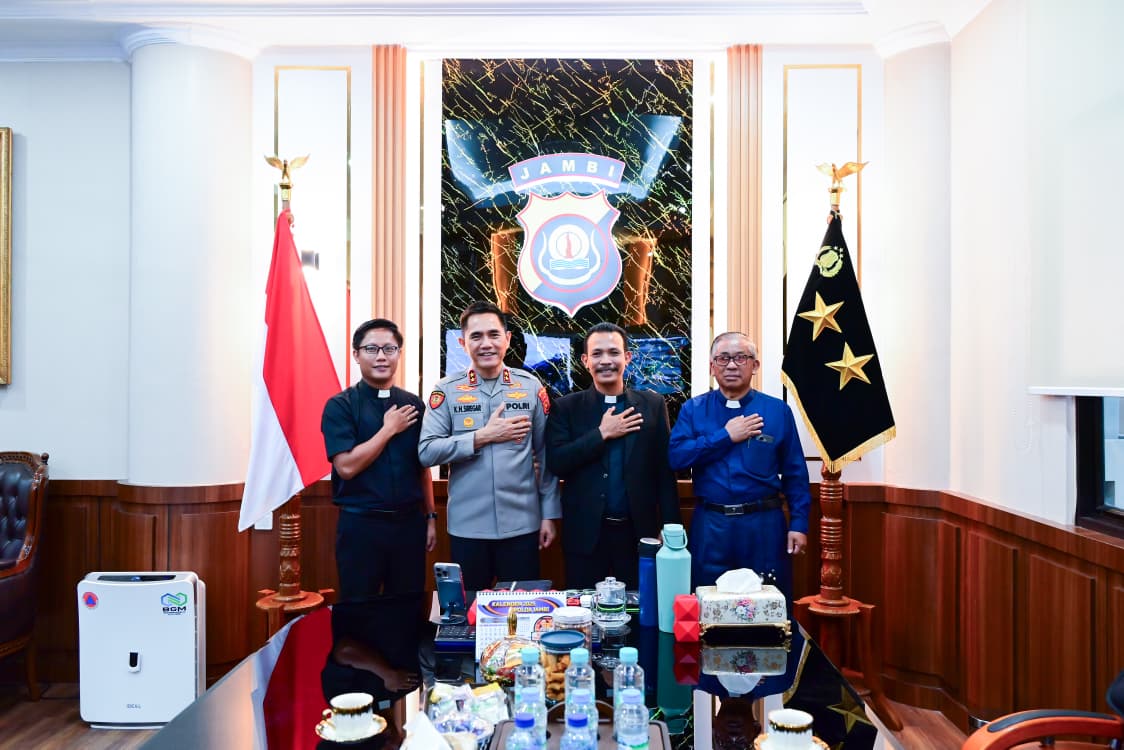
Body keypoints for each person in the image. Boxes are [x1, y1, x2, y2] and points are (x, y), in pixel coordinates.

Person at [418, 301, 561, 592]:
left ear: (507, 339)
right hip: (468, 528)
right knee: (469, 611)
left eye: (494, 334)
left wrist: (549, 514)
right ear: (463, 343)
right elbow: (427, 452)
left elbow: (545, 456)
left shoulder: (530, 387)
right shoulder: (446, 390)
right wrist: (481, 437)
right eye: (476, 336)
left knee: (522, 611)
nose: (486, 344)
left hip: (522, 526)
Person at [668, 332, 810, 597]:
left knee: (767, 603)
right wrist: (725, 436)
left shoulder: (777, 411)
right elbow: (677, 457)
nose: (731, 365)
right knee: (707, 600)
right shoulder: (693, 409)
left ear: (755, 365)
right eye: (723, 358)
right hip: (711, 525)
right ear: (712, 367)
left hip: (763, 526)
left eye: (740, 358)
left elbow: (795, 473)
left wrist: (799, 524)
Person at [545, 322, 681, 589]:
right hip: (585, 537)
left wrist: (670, 526)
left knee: (640, 608)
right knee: (584, 607)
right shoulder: (566, 407)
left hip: (638, 534)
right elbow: (557, 462)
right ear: (585, 361)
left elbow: (664, 473)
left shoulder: (652, 405)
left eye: (614, 352)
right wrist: (601, 434)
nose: (606, 361)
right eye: (597, 354)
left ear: (627, 357)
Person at [321, 318, 436, 601]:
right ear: (356, 354)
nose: (381, 356)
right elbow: (346, 467)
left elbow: (422, 468)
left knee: (408, 608)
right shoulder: (340, 405)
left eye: (389, 348)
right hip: (361, 527)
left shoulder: (414, 405)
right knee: (360, 610)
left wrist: (431, 517)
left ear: (399, 353)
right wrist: (388, 430)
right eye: (372, 349)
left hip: (409, 526)